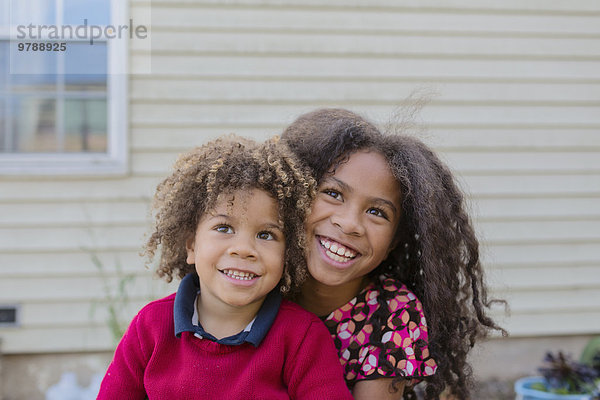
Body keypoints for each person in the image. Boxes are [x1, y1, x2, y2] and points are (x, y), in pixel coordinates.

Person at [97, 135, 353, 399]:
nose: (243, 249)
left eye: (266, 235)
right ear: (191, 246)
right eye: (223, 228)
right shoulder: (150, 327)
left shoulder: (302, 337)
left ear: (288, 254)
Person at [282, 108, 505, 400]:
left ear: (395, 241)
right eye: (333, 194)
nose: (349, 224)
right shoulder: (259, 276)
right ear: (299, 193)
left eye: (377, 212)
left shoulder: (392, 314)